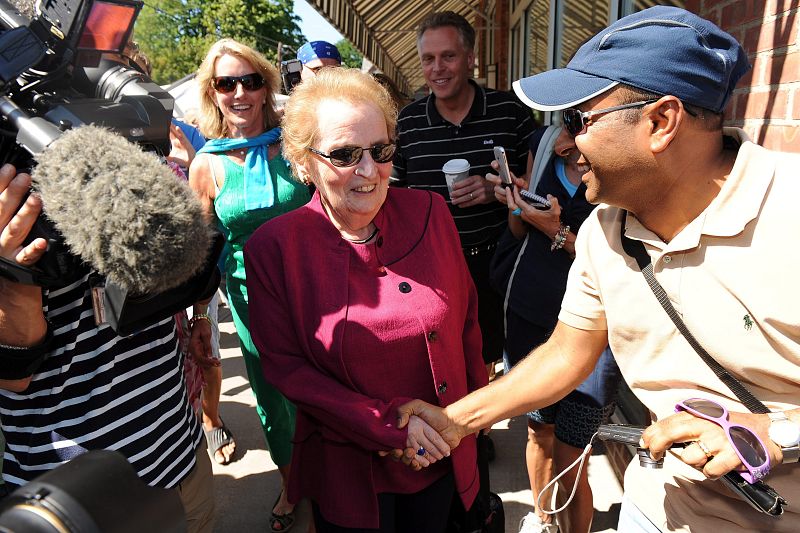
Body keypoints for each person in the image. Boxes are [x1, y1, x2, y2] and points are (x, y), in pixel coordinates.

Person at [397, 6, 800, 532]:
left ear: (661, 121)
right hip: (655, 509)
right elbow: (567, 353)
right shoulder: (602, 231)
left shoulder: (788, 212)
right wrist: (455, 422)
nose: (564, 144)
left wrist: (780, 432)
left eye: (577, 120)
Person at [243, 68, 489, 532]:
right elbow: (287, 369)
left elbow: (466, 322)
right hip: (351, 476)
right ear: (303, 161)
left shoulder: (431, 213)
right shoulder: (274, 248)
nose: (369, 170)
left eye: (381, 151)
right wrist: (389, 425)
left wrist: (476, 418)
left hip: (445, 454)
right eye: (344, 154)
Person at [0, 167, 215, 531]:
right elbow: (13, 377)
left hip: (182, 456)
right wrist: (13, 278)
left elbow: (192, 270)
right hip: (84, 499)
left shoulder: (125, 143)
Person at [188, 38, 311, 532]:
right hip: (251, 299)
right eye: (226, 83)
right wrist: (200, 318)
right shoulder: (207, 165)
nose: (239, 92)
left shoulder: (298, 145)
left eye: (250, 81)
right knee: (274, 397)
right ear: (213, 94)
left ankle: (334, 482)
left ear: (266, 87)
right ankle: (292, 484)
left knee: (328, 388)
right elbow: (202, 253)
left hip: (317, 288)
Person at [486, 127, 620, 532]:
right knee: (538, 433)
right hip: (531, 319)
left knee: (571, 454)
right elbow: (519, 232)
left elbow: (619, 261)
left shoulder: (620, 157)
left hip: (593, 334)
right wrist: (517, 207)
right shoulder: (542, 142)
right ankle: (543, 521)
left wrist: (556, 231)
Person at [393, 11, 534, 377]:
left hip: (495, 257)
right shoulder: (407, 123)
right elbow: (391, 192)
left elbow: (536, 181)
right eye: (428, 59)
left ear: (470, 58)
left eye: (448, 56)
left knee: (487, 347)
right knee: (440, 347)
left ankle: (479, 425)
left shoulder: (509, 113)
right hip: (431, 261)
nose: (437, 68)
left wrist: (496, 189)